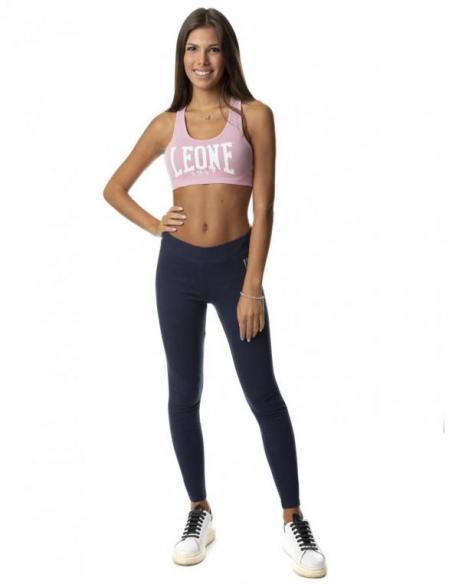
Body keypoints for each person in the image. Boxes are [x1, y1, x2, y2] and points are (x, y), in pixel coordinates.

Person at [103, 7, 327, 578]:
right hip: (177, 269)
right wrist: (155, 225)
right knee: (183, 393)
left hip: (234, 269)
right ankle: (198, 511)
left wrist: (252, 285)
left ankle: (294, 519)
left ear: (228, 55)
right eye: (191, 49)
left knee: (263, 394)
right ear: (180, 58)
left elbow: (265, 207)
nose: (201, 60)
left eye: (212, 48)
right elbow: (114, 188)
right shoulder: (166, 124)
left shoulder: (254, 115)